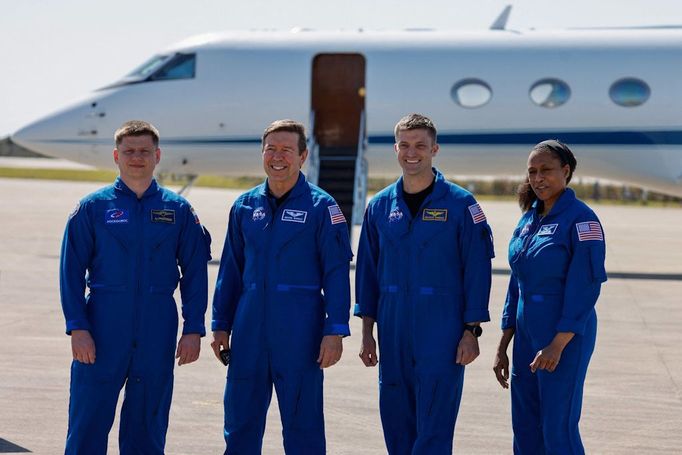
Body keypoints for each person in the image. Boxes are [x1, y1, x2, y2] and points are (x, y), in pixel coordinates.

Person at [59, 120, 211, 454]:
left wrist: (193, 329)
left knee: (148, 425)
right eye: (129, 151)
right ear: (116, 155)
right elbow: (69, 272)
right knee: (87, 422)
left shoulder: (178, 210)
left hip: (157, 326)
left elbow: (196, 273)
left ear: (158, 155)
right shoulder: (93, 208)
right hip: (102, 325)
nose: (137, 158)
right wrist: (77, 327)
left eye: (144, 151)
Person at [211, 119, 353, 454]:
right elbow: (230, 271)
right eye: (271, 149)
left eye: (287, 150)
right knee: (240, 424)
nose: (278, 156)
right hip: (248, 333)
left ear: (303, 156)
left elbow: (336, 273)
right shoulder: (245, 207)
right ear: (262, 153)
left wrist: (335, 330)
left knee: (303, 427)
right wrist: (220, 325)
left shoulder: (323, 208)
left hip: (300, 333)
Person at [355, 113, 494, 454]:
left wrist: (471, 331)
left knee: (435, 418)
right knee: (395, 414)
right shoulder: (379, 206)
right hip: (393, 326)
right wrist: (366, 334)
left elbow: (477, 270)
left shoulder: (462, 205)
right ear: (395, 149)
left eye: (420, 145)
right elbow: (368, 274)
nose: (411, 152)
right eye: (404, 145)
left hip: (442, 329)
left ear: (435, 149)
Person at [493, 140, 607, 454]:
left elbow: (586, 288)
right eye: (532, 171)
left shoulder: (582, 220)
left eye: (546, 170)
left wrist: (557, 344)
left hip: (564, 335)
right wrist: (504, 345)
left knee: (558, 426)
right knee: (526, 425)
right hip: (526, 336)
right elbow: (517, 283)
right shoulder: (528, 219)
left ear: (566, 172)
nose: (538, 178)